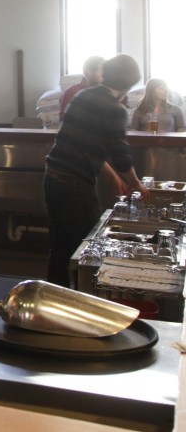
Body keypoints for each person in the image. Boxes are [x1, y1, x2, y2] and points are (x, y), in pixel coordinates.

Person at [43, 54, 146, 287]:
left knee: (59, 248)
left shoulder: (83, 96)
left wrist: (113, 178)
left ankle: (53, 301)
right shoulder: (114, 109)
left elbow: (88, 148)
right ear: (130, 83)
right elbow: (120, 156)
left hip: (52, 177)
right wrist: (136, 183)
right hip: (75, 186)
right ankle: (81, 307)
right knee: (87, 250)